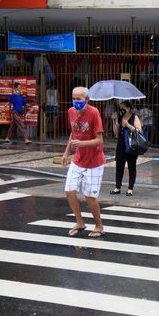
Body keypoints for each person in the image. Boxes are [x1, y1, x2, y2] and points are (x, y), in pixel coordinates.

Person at [62, 86, 106, 238]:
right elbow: (73, 134)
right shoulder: (71, 112)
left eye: (78, 99)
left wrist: (82, 144)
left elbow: (99, 140)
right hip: (78, 159)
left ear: (86, 99)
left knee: (89, 197)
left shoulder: (94, 113)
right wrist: (67, 152)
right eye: (73, 98)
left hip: (94, 161)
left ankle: (99, 225)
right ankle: (80, 222)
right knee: (69, 190)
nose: (75, 102)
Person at [111, 100, 143, 196]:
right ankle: (117, 187)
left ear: (128, 108)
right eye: (120, 109)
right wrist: (114, 120)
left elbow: (139, 131)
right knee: (119, 166)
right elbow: (116, 132)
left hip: (131, 144)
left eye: (123, 108)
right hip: (121, 144)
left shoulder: (134, 117)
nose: (121, 110)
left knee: (131, 166)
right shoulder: (120, 117)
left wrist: (128, 125)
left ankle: (130, 188)